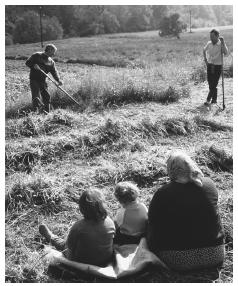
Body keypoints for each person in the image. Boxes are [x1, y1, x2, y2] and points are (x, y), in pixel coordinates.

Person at [147, 150, 225, 271]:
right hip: (215, 254)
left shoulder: (163, 193)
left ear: (171, 170)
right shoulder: (209, 184)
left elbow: (152, 221)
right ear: (192, 165)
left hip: (178, 260)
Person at [39, 189, 115, 267]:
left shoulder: (78, 227)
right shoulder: (110, 221)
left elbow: (69, 248)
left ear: (82, 208)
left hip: (81, 260)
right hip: (105, 259)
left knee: (62, 244)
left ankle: (51, 237)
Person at [25, 44, 63, 113]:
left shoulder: (51, 62)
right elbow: (27, 62)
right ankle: (36, 113)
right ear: (49, 50)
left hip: (43, 80)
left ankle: (47, 113)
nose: (54, 54)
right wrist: (33, 66)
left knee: (46, 96)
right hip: (34, 79)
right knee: (36, 97)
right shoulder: (36, 55)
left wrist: (58, 80)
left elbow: (54, 72)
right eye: (53, 52)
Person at [203, 29, 228, 106]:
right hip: (210, 65)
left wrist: (223, 42)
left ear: (217, 36)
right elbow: (204, 50)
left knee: (214, 83)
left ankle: (208, 100)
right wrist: (205, 60)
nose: (211, 38)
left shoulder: (221, 44)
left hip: (218, 66)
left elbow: (226, 53)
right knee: (210, 83)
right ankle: (214, 100)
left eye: (212, 36)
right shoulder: (209, 43)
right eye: (210, 36)